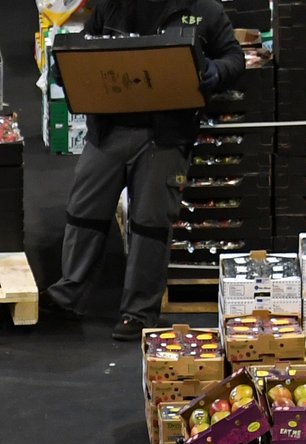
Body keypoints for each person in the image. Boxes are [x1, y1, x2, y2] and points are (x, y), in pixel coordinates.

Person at [44, 0, 245, 342]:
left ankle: (138, 313)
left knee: (150, 224)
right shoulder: (112, 6)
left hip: (164, 137)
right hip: (108, 129)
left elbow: (234, 57)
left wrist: (218, 70)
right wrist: (66, 67)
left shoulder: (204, 9)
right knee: (84, 212)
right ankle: (70, 293)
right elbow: (84, 46)